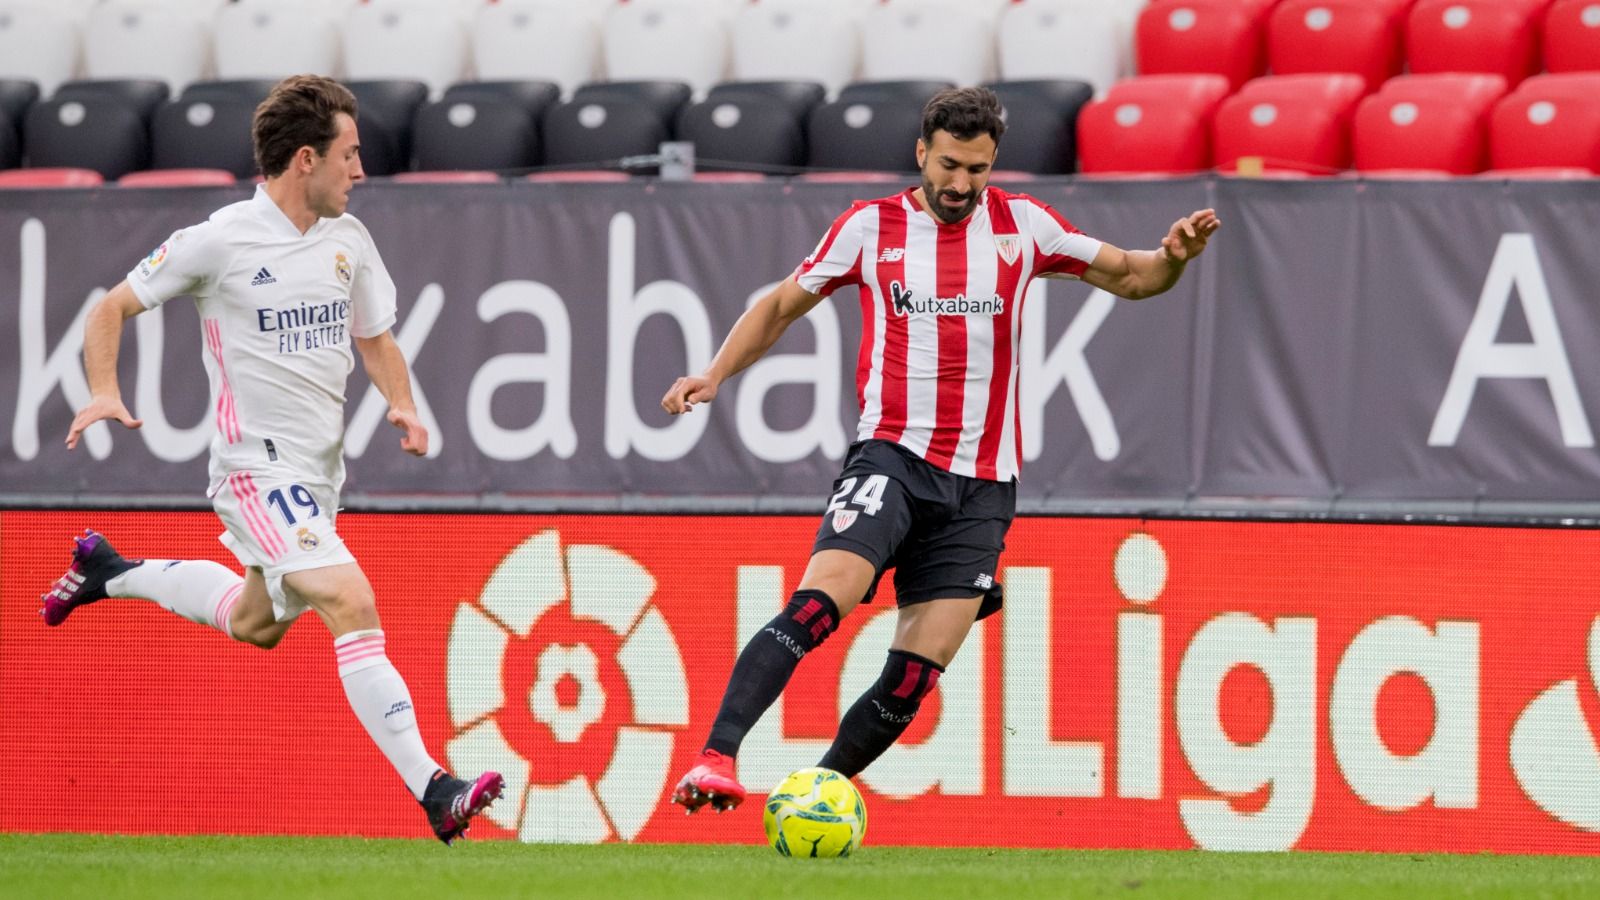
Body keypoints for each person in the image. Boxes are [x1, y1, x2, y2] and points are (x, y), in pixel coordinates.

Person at [661, 86, 1220, 812]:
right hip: (893, 456)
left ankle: (815, 796)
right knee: (819, 604)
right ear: (922, 152)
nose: (960, 185)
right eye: (950, 165)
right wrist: (715, 372)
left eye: (977, 170)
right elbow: (779, 305)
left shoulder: (1026, 227)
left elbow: (1134, 275)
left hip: (984, 487)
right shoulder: (870, 228)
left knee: (914, 675)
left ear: (994, 165)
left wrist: (1173, 259)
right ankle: (715, 758)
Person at [40, 75, 502, 844]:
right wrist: (101, 389)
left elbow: (375, 336)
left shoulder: (349, 241)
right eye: (350, 156)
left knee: (256, 623)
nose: (362, 171)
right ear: (304, 160)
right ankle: (436, 788)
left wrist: (405, 403)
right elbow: (109, 305)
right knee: (351, 601)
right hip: (255, 470)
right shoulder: (220, 240)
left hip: (318, 479)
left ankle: (110, 572)